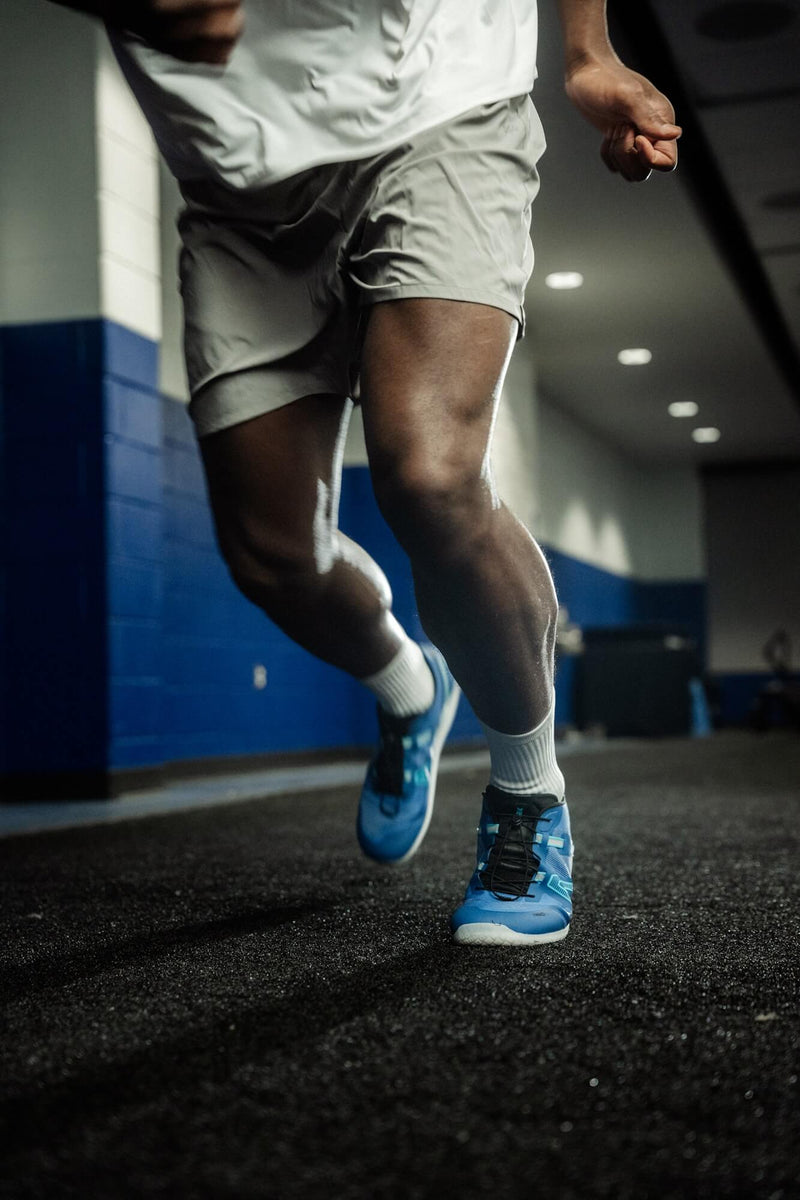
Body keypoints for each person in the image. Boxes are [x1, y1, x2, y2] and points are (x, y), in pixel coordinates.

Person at [52, 0, 680, 944]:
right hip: (235, 183)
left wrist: (588, 49)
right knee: (273, 555)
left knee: (429, 477)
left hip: (438, 100)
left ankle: (526, 793)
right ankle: (407, 685)